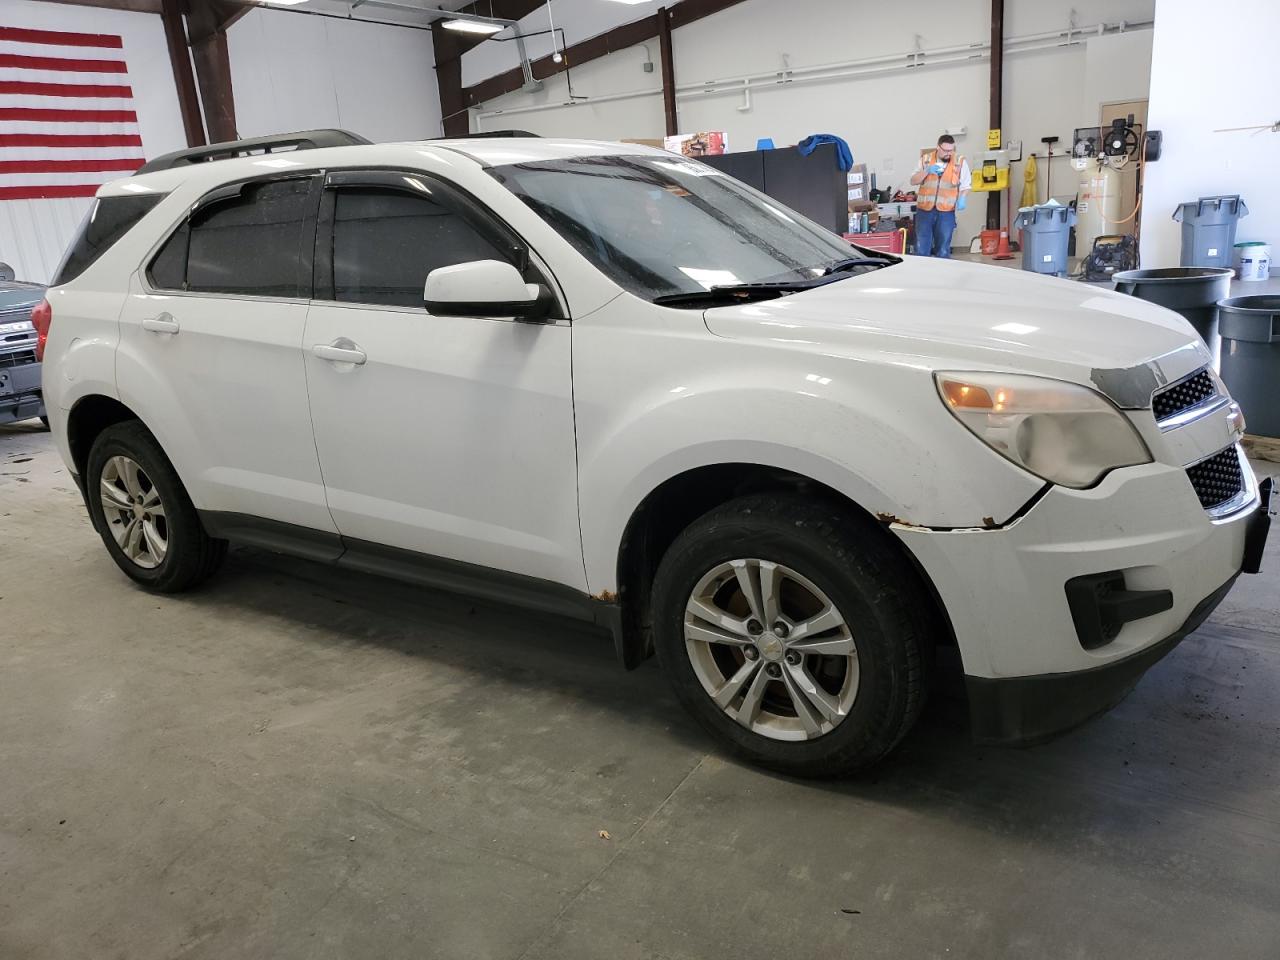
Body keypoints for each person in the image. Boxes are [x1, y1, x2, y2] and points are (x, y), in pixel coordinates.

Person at [909, 134, 971, 258]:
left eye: (951, 150)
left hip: (946, 212)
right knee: (921, 250)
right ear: (938, 147)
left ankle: (942, 276)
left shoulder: (959, 162)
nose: (949, 153)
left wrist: (962, 198)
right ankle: (921, 275)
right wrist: (926, 171)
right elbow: (913, 180)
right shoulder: (925, 160)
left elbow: (966, 185)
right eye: (946, 150)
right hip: (925, 211)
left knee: (943, 250)